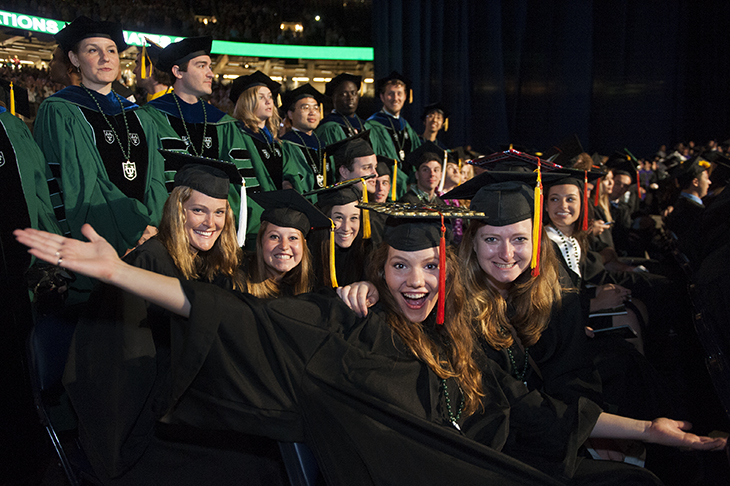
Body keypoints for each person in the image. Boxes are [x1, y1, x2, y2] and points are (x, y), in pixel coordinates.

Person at [16, 216, 726, 485]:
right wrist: (124, 273)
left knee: (632, 481)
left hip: (491, 464)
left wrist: (647, 432)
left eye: (427, 268)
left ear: (446, 274)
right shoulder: (343, 329)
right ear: (376, 273)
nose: (414, 281)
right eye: (397, 267)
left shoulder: (455, 339)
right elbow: (229, 315)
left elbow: (536, 410)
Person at [62, 155, 289, 485]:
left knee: (264, 447)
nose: (210, 222)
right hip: (135, 423)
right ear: (178, 209)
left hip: (178, 403)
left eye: (219, 212)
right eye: (199, 210)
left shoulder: (208, 264)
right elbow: (122, 362)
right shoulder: (147, 261)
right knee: (250, 465)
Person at [34, 16, 168, 303]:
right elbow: (79, 183)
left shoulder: (141, 116)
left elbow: (156, 179)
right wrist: (136, 227)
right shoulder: (60, 111)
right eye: (93, 50)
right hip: (96, 243)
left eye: (111, 50)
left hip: (148, 242)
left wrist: (154, 228)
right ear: (75, 58)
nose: (105, 58)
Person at [142, 37, 271, 242]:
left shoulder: (222, 123)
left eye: (210, 66)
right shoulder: (150, 118)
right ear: (177, 72)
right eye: (202, 66)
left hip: (216, 232)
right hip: (170, 231)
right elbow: (150, 182)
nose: (211, 73)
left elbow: (243, 183)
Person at [245, 189, 330, 298]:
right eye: (274, 237)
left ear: (304, 245)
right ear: (260, 240)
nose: (284, 246)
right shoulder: (236, 282)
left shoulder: (312, 287)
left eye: (293, 238)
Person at [230, 70, 294, 191]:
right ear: (247, 102)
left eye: (270, 96)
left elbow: (288, 174)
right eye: (261, 97)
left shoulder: (275, 142)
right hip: (254, 206)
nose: (268, 101)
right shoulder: (239, 135)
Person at [366, 71, 422, 198]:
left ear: (405, 96)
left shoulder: (407, 127)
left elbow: (417, 157)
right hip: (386, 191)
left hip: (409, 190)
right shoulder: (373, 126)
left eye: (399, 94)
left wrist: (412, 182)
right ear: (382, 97)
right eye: (390, 94)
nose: (395, 98)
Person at [280, 83, 329, 192]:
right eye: (305, 108)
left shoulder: (322, 144)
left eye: (316, 108)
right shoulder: (286, 145)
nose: (312, 112)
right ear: (290, 114)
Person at [664, 155, 712, 266]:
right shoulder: (694, 211)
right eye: (706, 178)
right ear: (695, 182)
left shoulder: (680, 204)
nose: (709, 182)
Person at [316, 72, 367, 144]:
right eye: (344, 94)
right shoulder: (328, 128)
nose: (350, 98)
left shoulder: (365, 125)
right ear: (334, 97)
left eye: (354, 93)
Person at [132, 38, 171, 103]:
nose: (134, 71)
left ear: (150, 69)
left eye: (138, 64)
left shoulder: (172, 103)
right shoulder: (144, 101)